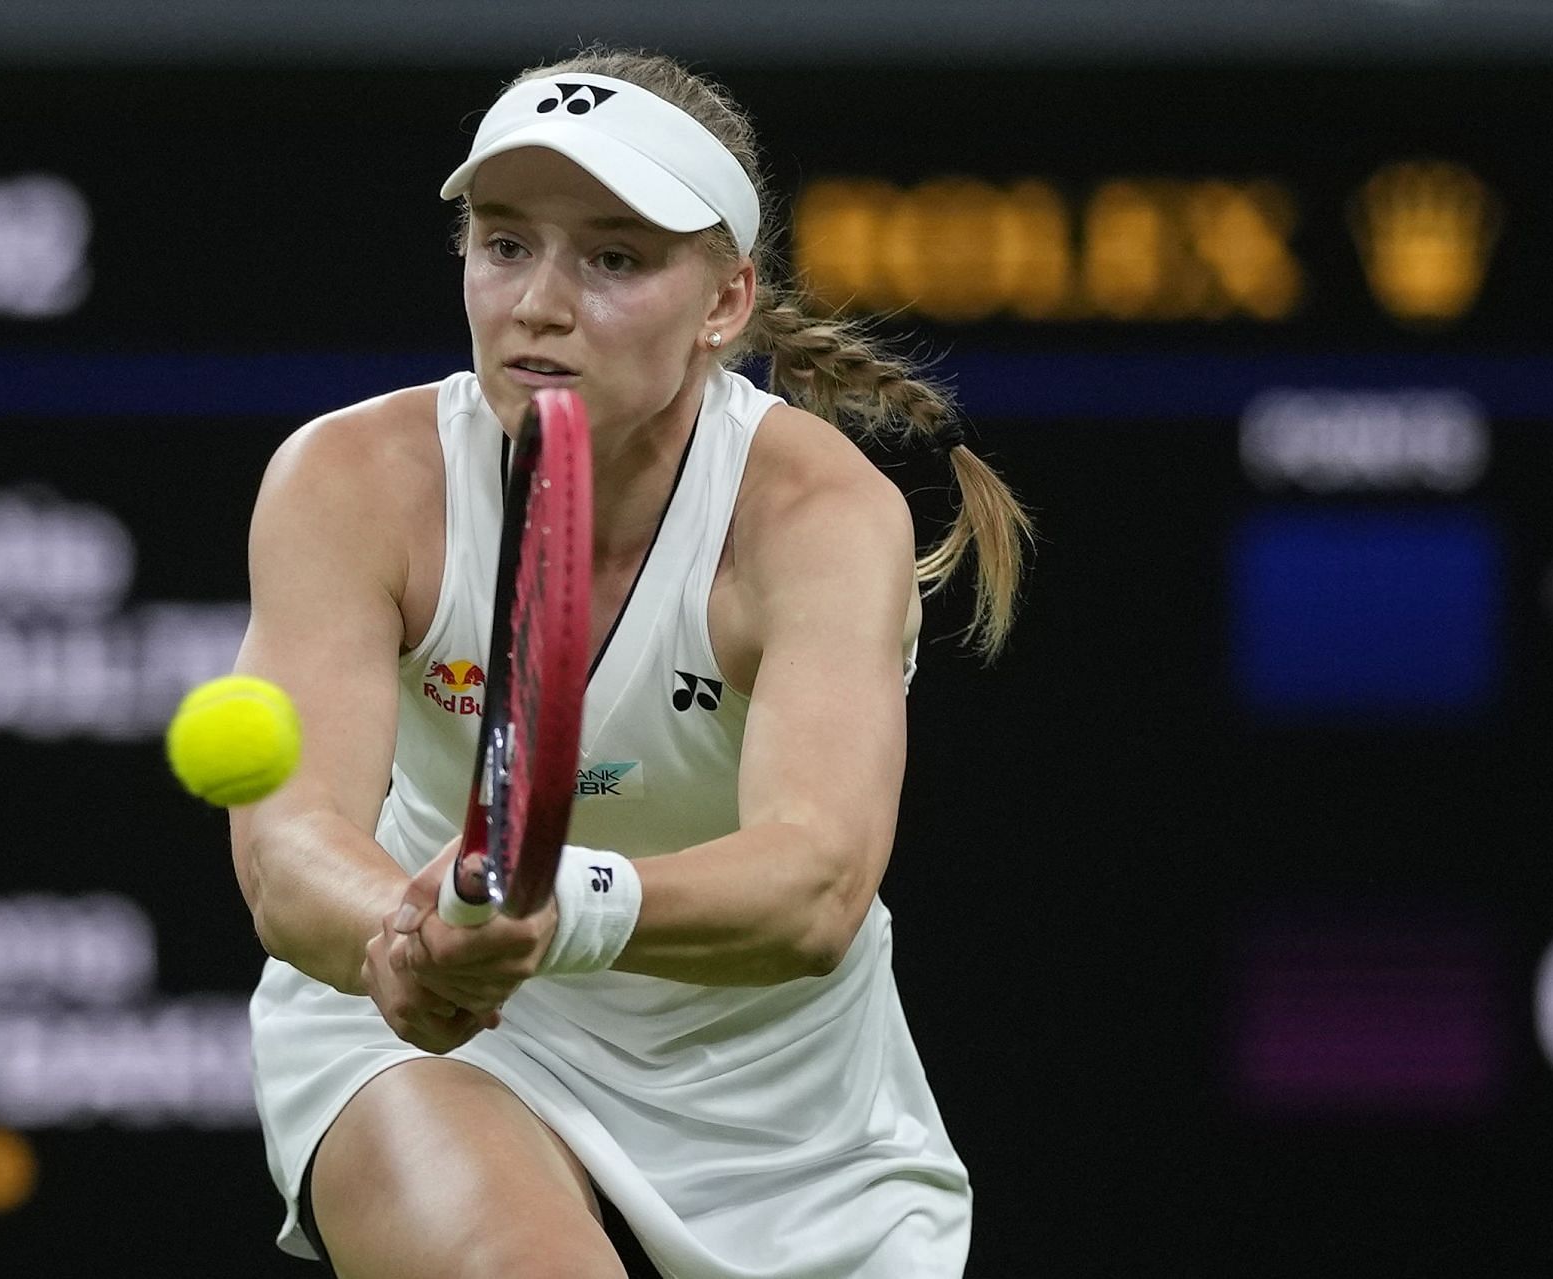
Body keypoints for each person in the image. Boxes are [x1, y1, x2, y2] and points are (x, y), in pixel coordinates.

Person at [230, 47, 1031, 1279]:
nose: (540, 302)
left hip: (777, 1097)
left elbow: (815, 886)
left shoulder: (815, 516)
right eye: (505, 244)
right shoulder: (352, 483)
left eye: (613, 257)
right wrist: (397, 936)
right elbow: (290, 847)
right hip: (451, 1034)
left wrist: (564, 912)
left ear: (724, 302)